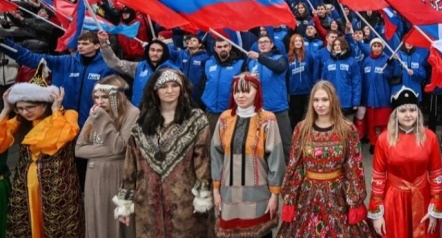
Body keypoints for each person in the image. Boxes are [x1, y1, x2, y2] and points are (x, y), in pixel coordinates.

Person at [113, 69, 213, 237]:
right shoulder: (142, 123)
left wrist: (203, 196)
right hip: (147, 203)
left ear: (182, 89)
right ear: (155, 91)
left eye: (175, 86)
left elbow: (203, 160)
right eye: (164, 86)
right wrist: (125, 202)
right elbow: (131, 164)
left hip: (184, 201)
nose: (169, 90)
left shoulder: (196, 119)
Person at [277, 80, 373, 236]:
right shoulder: (302, 129)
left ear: (333, 101)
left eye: (324, 100)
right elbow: (295, 165)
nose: (319, 104)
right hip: (307, 195)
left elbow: (354, 166)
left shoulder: (347, 129)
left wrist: (355, 198)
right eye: (316, 100)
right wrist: (290, 195)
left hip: (338, 194)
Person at [0, 74, 83, 237]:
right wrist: (6, 110)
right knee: (26, 223)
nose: (25, 112)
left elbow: (52, 141)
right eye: (20, 108)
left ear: (44, 105)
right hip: (25, 181)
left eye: (29, 107)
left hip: (56, 183)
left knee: (56, 224)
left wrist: (55, 112)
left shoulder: (67, 116)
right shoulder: (21, 121)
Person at [211, 74, 285, 238]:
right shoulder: (224, 119)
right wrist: (216, 191)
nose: (240, 95)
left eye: (246, 91)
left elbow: (276, 160)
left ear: (257, 92)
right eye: (236, 91)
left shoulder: (267, 119)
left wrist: (275, 195)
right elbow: (216, 157)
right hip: (229, 196)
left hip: (259, 197)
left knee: (260, 234)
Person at [368, 87, 442, 237]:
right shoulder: (383, 139)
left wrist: (435, 208)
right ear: (395, 115)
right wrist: (377, 214)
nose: (408, 115)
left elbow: (436, 176)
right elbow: (378, 178)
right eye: (403, 111)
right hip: (394, 201)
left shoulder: (430, 137)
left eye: (412, 110)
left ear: (418, 113)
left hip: (423, 198)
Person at [0, 31, 114, 126]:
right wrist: (5, 43)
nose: (80, 46)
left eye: (85, 43)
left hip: (92, 121)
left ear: (97, 46)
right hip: (62, 120)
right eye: (79, 43)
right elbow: (29, 58)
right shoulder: (63, 61)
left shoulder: (107, 66)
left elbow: (113, 96)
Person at [75, 75, 139, 238]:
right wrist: (111, 150)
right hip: (93, 175)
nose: (99, 102)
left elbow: (120, 147)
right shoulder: (95, 113)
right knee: (96, 216)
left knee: (116, 220)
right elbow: (79, 150)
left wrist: (103, 120)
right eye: (96, 97)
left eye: (104, 97)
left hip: (116, 173)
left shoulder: (132, 112)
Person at [98, 31, 178, 106]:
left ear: (165, 53)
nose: (155, 53)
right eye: (152, 50)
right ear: (147, 51)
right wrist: (104, 46)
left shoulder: (173, 70)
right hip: (139, 113)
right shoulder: (138, 67)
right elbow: (115, 63)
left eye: (159, 51)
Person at [247, 34, 293, 161]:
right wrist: (250, 78)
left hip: (278, 108)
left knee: (285, 143)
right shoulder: (252, 63)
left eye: (265, 42)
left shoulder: (280, 58)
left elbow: (278, 68)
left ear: (272, 44)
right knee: (262, 144)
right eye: (260, 42)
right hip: (260, 110)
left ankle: (289, 173)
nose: (262, 44)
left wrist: (259, 57)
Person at [286, 33, 316, 128]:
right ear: (292, 43)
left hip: (307, 91)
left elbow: (313, 71)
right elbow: (286, 75)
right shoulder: (288, 57)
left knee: (308, 115)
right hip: (294, 92)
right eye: (296, 41)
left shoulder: (309, 56)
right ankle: (295, 137)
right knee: (295, 117)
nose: (298, 43)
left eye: (300, 41)